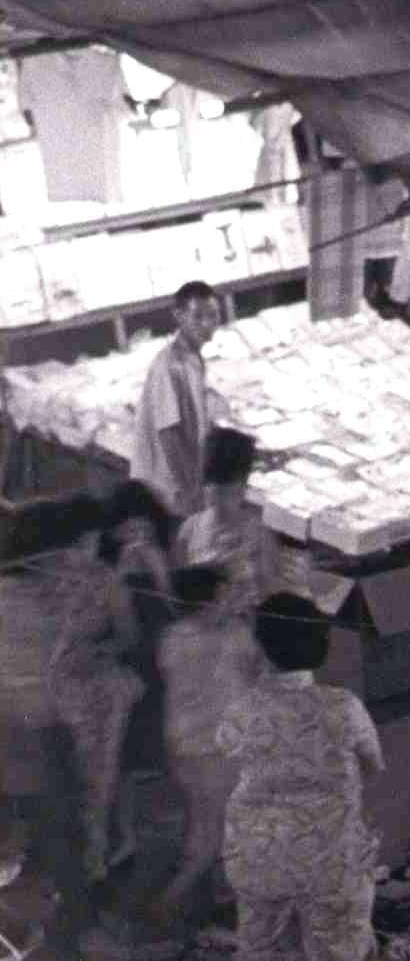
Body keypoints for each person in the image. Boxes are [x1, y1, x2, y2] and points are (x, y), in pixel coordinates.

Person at [217, 590, 384, 961]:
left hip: (259, 854)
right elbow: (375, 766)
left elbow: (225, 754)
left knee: (261, 951)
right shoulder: (344, 707)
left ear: (262, 649)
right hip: (330, 856)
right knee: (338, 958)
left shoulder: (243, 710)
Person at [45, 491, 154, 886]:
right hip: (65, 689)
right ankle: (74, 859)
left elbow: (128, 636)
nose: (84, 549)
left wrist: (93, 651)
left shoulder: (100, 580)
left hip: (86, 691)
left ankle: (88, 860)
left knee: (91, 779)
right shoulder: (56, 576)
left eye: (88, 541)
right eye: (80, 541)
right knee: (76, 779)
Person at [155, 563, 257, 926]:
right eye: (224, 595)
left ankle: (220, 896)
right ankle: (165, 906)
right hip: (218, 749)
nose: (230, 600)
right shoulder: (235, 635)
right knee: (213, 836)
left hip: (182, 747)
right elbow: (254, 674)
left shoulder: (171, 637)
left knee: (204, 823)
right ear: (208, 601)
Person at [128, 282, 222, 520]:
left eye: (213, 315)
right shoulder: (168, 365)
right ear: (179, 316)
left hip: (182, 482)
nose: (207, 324)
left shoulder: (193, 358)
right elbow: (168, 432)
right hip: (165, 490)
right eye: (198, 316)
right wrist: (191, 489)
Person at [173, 426, 274, 613]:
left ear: (243, 489)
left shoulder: (260, 536)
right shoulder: (188, 531)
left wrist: (246, 576)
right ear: (204, 488)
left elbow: (266, 597)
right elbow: (179, 592)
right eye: (215, 495)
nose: (222, 505)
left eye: (230, 494)